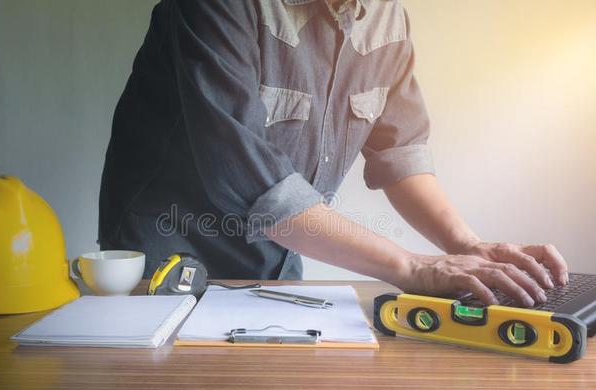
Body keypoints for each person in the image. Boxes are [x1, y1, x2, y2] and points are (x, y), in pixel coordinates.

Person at [99, 0, 568, 306]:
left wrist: (466, 245)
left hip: (278, 258)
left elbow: (400, 153)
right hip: (169, 255)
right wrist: (412, 268)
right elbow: (250, 183)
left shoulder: (388, 17)